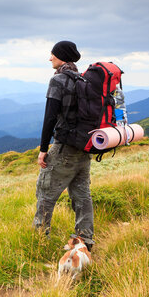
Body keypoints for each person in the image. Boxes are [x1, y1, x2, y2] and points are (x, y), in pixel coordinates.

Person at [33, 40, 94, 251]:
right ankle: (85, 241)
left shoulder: (58, 80)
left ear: (61, 56)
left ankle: (40, 241)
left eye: (52, 54)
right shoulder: (83, 79)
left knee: (45, 193)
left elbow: (49, 117)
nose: (50, 58)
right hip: (84, 148)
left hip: (65, 146)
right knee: (82, 195)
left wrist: (43, 149)